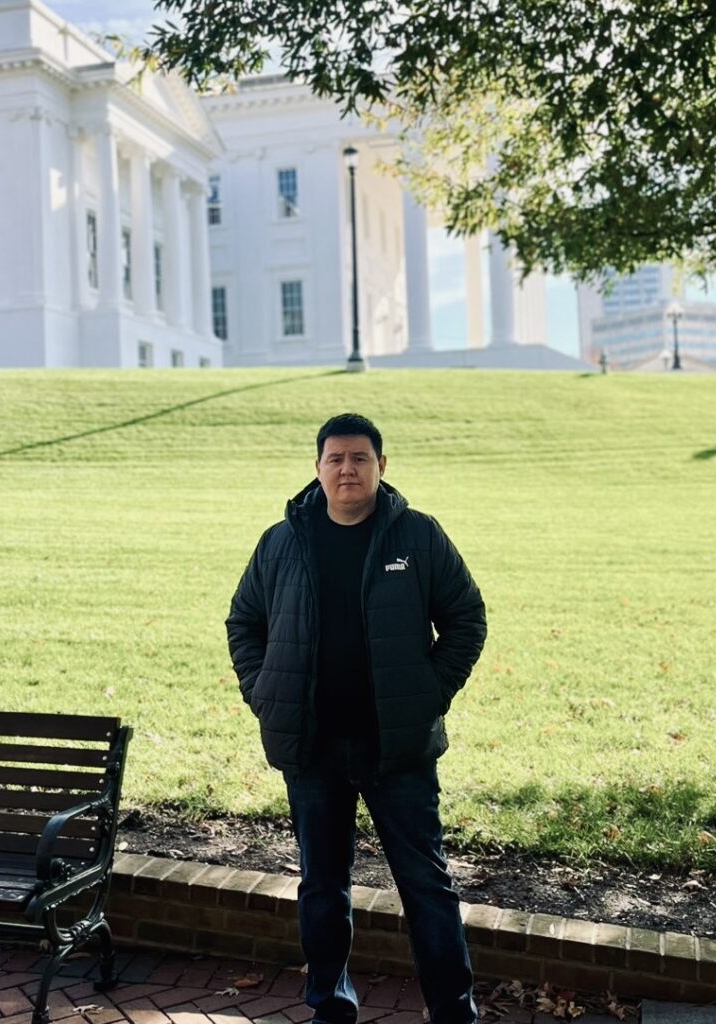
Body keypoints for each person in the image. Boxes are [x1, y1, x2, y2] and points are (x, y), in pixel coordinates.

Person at [226, 412, 486, 1024]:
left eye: (360, 458)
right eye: (336, 458)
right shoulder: (281, 541)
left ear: (381, 467)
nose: (348, 469)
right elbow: (245, 623)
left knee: (426, 886)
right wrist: (264, 693)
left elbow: (466, 618)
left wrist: (428, 694)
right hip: (312, 749)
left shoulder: (417, 537)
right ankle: (330, 1008)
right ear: (317, 469)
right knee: (322, 886)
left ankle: (453, 1010)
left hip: (396, 750)